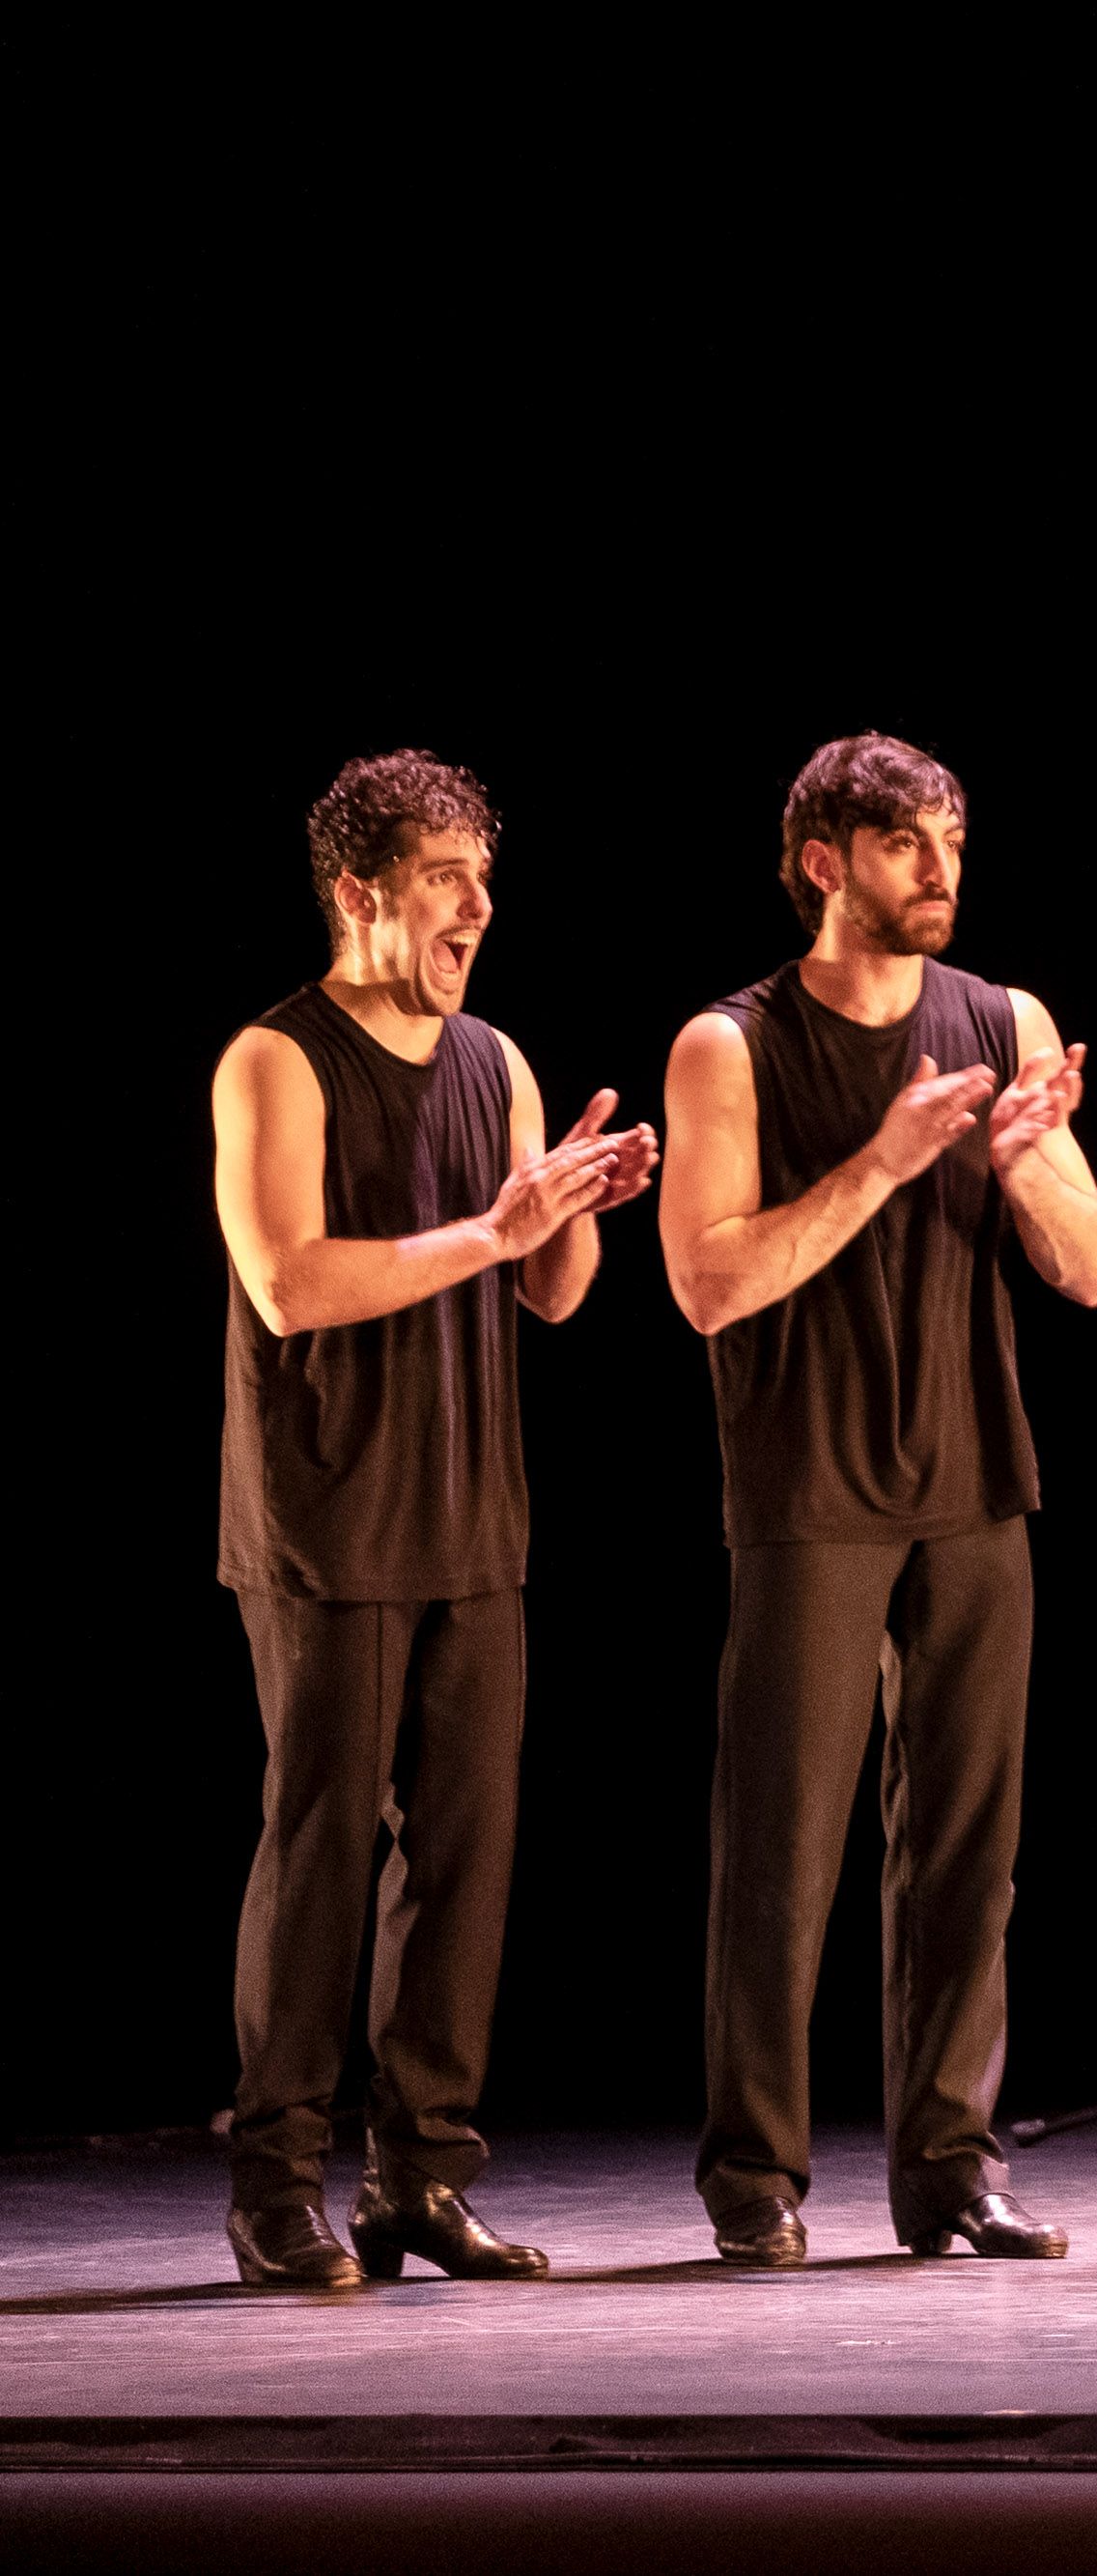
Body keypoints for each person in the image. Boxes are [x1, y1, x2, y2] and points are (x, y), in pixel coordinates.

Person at [661, 732, 1097, 2266]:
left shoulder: (1002, 1018)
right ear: (824, 863)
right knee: (783, 1851)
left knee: (967, 1848)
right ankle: (756, 2177)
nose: (942, 870)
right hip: (809, 1487)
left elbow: (1095, 1266)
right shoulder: (732, 1042)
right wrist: (883, 1157)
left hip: (976, 1479)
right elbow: (711, 1282)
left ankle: (950, 2167)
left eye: (954, 841)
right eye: (909, 842)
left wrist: (1028, 1155)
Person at [211, 750, 658, 2287]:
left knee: (463, 1859)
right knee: (323, 1847)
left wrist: (573, 1214)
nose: (481, 903)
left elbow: (545, 1295)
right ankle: (276, 2177)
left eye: (484, 872)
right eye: (447, 875)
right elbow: (291, 1281)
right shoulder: (274, 1059)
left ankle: (418, 2174)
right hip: (328, 1516)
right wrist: (495, 1226)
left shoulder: (501, 1062)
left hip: (475, 1516)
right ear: (361, 892)